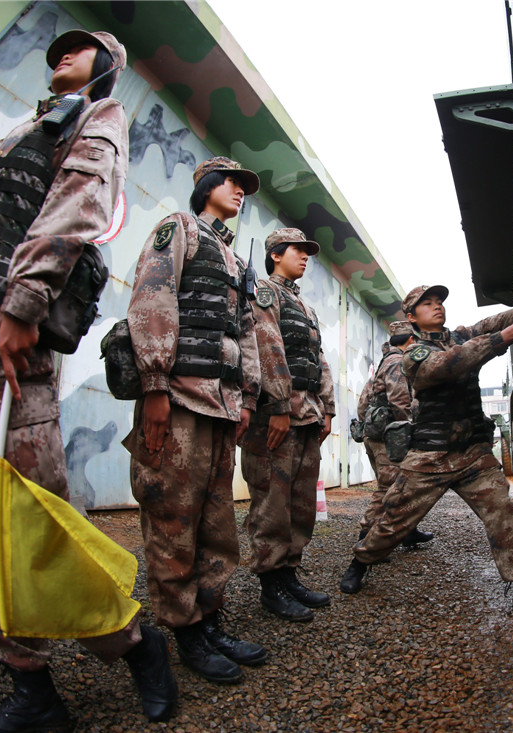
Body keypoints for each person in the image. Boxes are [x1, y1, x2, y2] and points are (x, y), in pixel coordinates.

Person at [0, 30, 177, 730]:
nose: (60, 54)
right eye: (56, 50)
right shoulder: (24, 132)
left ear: (109, 67)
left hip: (6, 341)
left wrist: (25, 301)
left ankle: (133, 642)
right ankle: (32, 689)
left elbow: (80, 208)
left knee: (36, 518)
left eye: (79, 48)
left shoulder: (96, 118)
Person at [125, 156, 269, 685]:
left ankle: (209, 621)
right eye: (231, 182)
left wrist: (248, 397)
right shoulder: (177, 229)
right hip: (180, 399)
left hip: (220, 406)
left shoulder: (233, 258)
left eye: (243, 186)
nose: (239, 191)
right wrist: (156, 384)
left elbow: (245, 330)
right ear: (207, 185)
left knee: (215, 523)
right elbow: (153, 298)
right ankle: (184, 631)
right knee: (172, 520)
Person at [339, 285, 513, 624]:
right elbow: (449, 365)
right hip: (429, 457)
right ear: (411, 317)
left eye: (439, 301)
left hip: (472, 454)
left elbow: (492, 323)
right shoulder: (413, 354)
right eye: (427, 304)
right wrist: (511, 335)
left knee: (503, 515)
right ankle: (360, 562)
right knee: (394, 518)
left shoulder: (460, 335)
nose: (437, 307)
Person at [241, 227, 335, 622]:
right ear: (276, 254)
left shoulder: (305, 307)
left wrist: (327, 407)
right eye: (298, 250)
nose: (305, 257)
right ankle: (270, 583)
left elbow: (318, 358)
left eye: (306, 251)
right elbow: (267, 348)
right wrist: (278, 403)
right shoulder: (265, 293)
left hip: (307, 415)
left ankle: (289, 574)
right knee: (272, 503)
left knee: (300, 505)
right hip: (277, 416)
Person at [355, 320, 433, 546]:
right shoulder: (398, 361)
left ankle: (407, 531)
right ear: (410, 340)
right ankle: (366, 541)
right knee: (388, 488)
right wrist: (409, 431)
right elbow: (400, 400)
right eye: (415, 340)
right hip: (388, 437)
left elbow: (363, 402)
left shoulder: (384, 361)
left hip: (378, 434)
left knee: (401, 485)